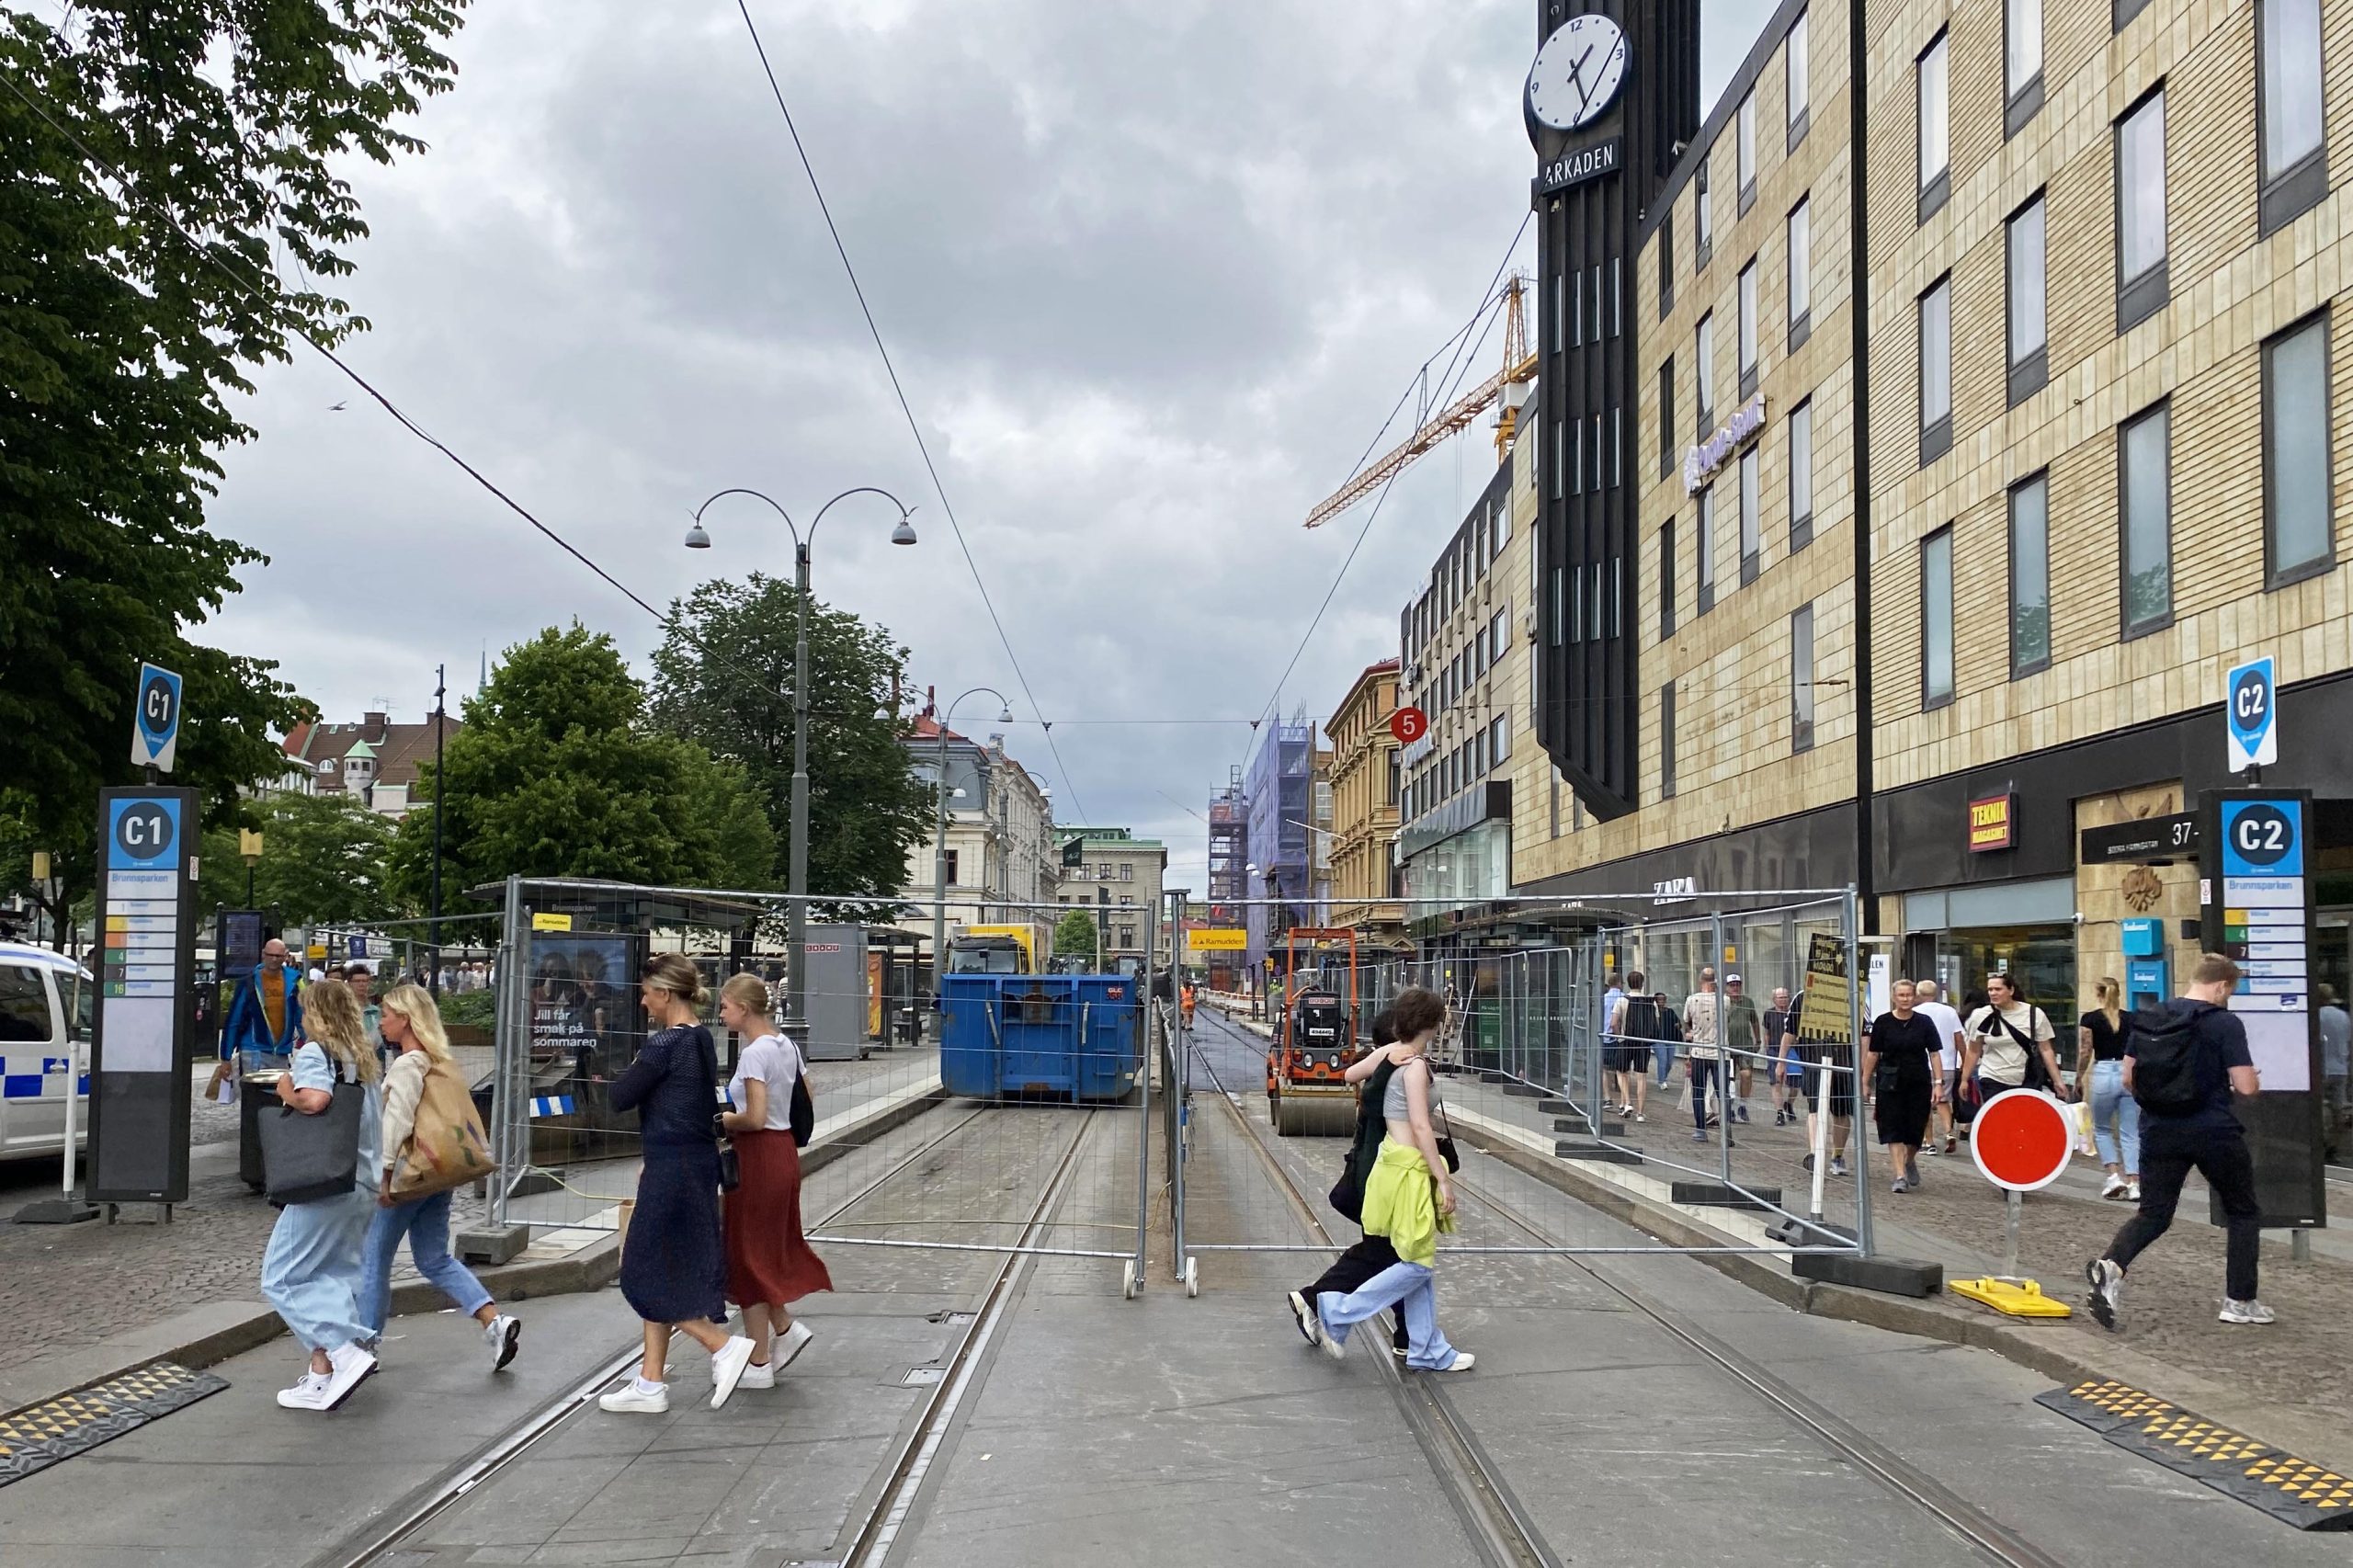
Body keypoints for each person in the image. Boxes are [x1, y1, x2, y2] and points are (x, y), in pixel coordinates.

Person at [599, 954, 756, 1415]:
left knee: (640, 1271)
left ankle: (721, 1346)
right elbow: (687, 1105)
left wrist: (620, 1051)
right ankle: (650, 1384)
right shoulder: (702, 1038)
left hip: (672, 1168)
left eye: (647, 993)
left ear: (665, 994)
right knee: (664, 1266)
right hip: (693, 1162)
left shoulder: (664, 1044)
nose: (644, 1002)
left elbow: (618, 1098)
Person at [2086, 955, 2269, 1329]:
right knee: (2242, 1211)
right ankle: (2240, 1300)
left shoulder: (2150, 1016)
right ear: (2221, 986)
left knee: (2154, 1213)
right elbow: (2247, 1087)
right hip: (2213, 1129)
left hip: (2159, 1129)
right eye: (2229, 991)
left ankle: (2112, 1265)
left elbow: (2127, 1077)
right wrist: (2250, 1081)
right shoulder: (2224, 1023)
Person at [1309, 987, 1472, 1373]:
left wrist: (1385, 1055)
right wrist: (1442, 1179)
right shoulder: (1414, 1066)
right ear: (1431, 1024)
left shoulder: (1395, 1054)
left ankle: (1426, 1349)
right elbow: (1420, 1125)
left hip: (1389, 1166)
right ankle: (1339, 1310)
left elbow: (1349, 1073)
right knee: (1416, 1263)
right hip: (1407, 1170)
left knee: (1413, 1262)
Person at [359, 983, 522, 1368]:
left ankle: (364, 1347)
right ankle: (494, 1322)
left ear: (406, 1019)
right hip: (439, 1174)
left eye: (386, 1014)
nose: (381, 1022)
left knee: (373, 1260)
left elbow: (396, 1123)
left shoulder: (407, 1064)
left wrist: (384, 1178)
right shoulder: (442, 1062)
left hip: (410, 1176)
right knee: (433, 1258)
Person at [259, 979, 383, 1411]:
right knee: (329, 1275)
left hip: (324, 1183)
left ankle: (344, 1352)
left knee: (280, 1276)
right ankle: (321, 1373)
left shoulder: (316, 1053)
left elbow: (315, 1101)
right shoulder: (362, 1059)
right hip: (362, 1180)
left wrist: (285, 1092)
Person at [717, 974, 832, 1388]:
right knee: (763, 1248)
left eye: (726, 1005)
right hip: (783, 1152)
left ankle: (760, 1362)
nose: (722, 1012)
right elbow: (808, 1094)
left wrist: (721, 1120)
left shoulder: (753, 1054)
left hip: (758, 1155)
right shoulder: (786, 1045)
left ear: (744, 1009)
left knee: (747, 1254)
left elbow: (754, 1117)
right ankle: (784, 1329)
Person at [1287, 1011, 1410, 1358]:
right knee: (1392, 1254)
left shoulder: (1387, 1070)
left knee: (1395, 1255)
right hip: (1380, 1181)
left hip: (1386, 1178)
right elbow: (1372, 1099)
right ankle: (1316, 1299)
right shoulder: (1384, 1076)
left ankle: (1407, 1334)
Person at [1864, 980, 1939, 1192]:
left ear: (1914, 997)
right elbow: (1873, 1053)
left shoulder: (1924, 1022)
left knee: (1916, 1130)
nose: (1905, 999)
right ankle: (1899, 1175)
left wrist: (1939, 1083)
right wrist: (1865, 1081)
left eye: (1909, 995)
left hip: (1918, 1081)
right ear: (1893, 997)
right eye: (1901, 995)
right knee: (1893, 1128)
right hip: (1889, 1083)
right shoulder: (1883, 1022)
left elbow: (1934, 1053)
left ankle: (1909, 1159)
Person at [1962, 973, 2063, 1114]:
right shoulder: (1979, 1016)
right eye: (1990, 990)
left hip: (2026, 1077)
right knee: (1999, 1119)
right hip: (1992, 1077)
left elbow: (2046, 1049)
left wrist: (2057, 1080)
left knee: (2024, 1120)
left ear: (2011, 991)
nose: (1993, 993)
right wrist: (1964, 1079)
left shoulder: (2033, 1014)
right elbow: (1973, 1051)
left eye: (1998, 989)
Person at [2076, 978, 2140, 1201]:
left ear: (2098, 994)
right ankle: (2135, 1183)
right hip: (2128, 1073)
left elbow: (2086, 1051)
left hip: (2103, 1072)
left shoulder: (2090, 1019)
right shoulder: (2132, 1019)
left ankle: (2114, 1176)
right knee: (2130, 1132)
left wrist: (2079, 1077)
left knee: (2102, 1129)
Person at [1785, 990, 1851, 1177]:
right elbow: (1790, 1030)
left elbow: (1864, 1033)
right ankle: (1815, 1153)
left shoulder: (1851, 993)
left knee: (1841, 1112)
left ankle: (1837, 1155)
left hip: (1843, 1063)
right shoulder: (1803, 997)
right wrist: (1782, 1060)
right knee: (1815, 1109)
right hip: (1813, 1062)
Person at [221, 937, 304, 1064]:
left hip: (281, 1051)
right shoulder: (250, 981)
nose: (274, 959)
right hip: (253, 1050)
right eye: (270, 955)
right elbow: (234, 1019)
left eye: (278, 955)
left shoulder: (295, 980)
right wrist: (226, 1057)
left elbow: (302, 1017)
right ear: (263, 954)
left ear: (285, 956)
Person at [1911, 981, 1965, 1154]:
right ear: (1935, 994)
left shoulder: (1915, 1013)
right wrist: (1964, 1060)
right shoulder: (1949, 1011)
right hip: (1948, 1063)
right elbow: (1959, 1039)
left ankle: (1929, 1141)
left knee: (1924, 1103)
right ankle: (1949, 1132)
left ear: (1918, 994)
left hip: (1922, 1064)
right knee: (1943, 1100)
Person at [1682, 967, 1727, 1143]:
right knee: (1722, 1092)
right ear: (1715, 981)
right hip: (1720, 1052)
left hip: (1699, 1052)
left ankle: (1701, 1129)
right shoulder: (1724, 1000)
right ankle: (1726, 1128)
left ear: (1701, 981)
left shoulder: (1692, 1000)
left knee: (1698, 1091)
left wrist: (1692, 1033)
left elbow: (1687, 1023)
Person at [1605, 972, 1654, 1123]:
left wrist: (1620, 1037)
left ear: (1627, 983)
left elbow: (1613, 1023)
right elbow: (1655, 1021)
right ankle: (1640, 1113)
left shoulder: (1621, 1000)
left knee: (1622, 1072)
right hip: (1643, 1043)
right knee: (1641, 1077)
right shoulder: (1649, 1002)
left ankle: (1627, 1102)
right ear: (1642, 983)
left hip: (1626, 1041)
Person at [1722, 973, 1763, 1125]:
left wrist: (1758, 1040)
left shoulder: (1748, 1002)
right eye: (1732, 985)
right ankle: (1729, 1107)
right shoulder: (1723, 1002)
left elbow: (1755, 1021)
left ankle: (1743, 1106)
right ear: (1727, 987)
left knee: (1746, 1075)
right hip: (1727, 1045)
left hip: (1745, 1044)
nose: (1735, 988)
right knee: (1728, 1078)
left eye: (1737, 985)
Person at [2319, 984, 2348, 1165]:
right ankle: (2334, 1147)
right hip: (2341, 1068)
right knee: (2338, 1109)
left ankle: (2321, 1142)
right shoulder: (2343, 1016)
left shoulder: (2317, 1016)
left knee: (2319, 1108)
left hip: (2322, 1068)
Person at [1762, 987, 1795, 1125]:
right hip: (1774, 1052)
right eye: (1780, 997)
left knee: (1795, 1084)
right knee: (1776, 1083)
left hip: (1793, 1052)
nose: (1783, 1000)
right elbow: (1767, 1032)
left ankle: (1789, 1103)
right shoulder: (1769, 1013)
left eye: (1785, 997)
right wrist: (1767, 1048)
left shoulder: (1793, 1013)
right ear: (1774, 999)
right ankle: (1780, 1113)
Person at [347, 962, 385, 1064]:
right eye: (357, 981)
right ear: (349, 983)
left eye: (365, 981)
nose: (361, 984)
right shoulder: (343, 1010)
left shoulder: (375, 1011)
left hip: (375, 1056)